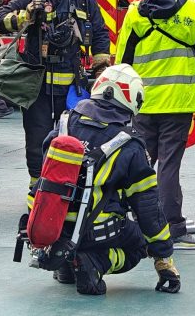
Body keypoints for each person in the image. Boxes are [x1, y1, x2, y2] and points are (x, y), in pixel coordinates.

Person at [29, 64, 180, 296]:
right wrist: (163, 255)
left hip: (50, 224)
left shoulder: (64, 124)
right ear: (133, 100)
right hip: (95, 232)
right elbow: (148, 207)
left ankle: (67, 265)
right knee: (138, 245)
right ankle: (96, 263)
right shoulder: (129, 144)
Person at [0, 0, 111, 186]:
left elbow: (100, 34)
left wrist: (101, 69)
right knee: (37, 138)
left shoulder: (84, 0)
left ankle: (70, 187)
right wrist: (26, 16)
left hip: (73, 86)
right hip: (38, 87)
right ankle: (37, 188)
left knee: (75, 138)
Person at [119, 0, 195, 250]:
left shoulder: (135, 13)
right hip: (180, 104)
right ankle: (172, 227)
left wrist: (121, 105)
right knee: (169, 165)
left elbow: (123, 63)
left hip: (143, 105)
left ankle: (134, 222)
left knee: (141, 166)